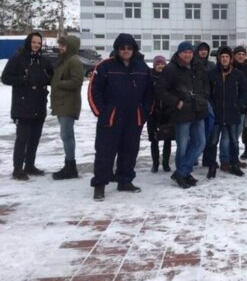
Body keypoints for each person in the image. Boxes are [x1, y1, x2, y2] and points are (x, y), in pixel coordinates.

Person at [88, 33, 153, 200]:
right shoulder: (105, 66)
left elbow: (150, 94)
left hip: (133, 117)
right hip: (110, 118)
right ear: (117, 49)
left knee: (129, 151)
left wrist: (143, 113)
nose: (126, 51)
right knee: (105, 152)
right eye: (122, 48)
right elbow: (94, 91)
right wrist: (102, 113)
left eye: (129, 48)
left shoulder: (142, 68)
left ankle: (124, 180)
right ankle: (100, 184)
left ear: (134, 49)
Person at [156, 41, 210, 189]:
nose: (188, 54)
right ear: (179, 53)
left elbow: (205, 84)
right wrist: (176, 102)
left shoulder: (197, 66)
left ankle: (182, 172)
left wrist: (204, 97)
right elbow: (160, 90)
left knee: (200, 142)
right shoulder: (171, 69)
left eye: (190, 52)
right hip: (181, 112)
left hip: (198, 110)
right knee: (183, 145)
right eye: (185, 52)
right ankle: (184, 174)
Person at [1, 32, 54, 180]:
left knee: (35, 138)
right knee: (22, 138)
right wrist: (22, 80)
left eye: (39, 43)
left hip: (39, 103)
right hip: (23, 104)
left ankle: (29, 165)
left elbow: (52, 76)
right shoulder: (17, 58)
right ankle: (18, 169)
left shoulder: (43, 60)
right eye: (34, 42)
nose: (36, 45)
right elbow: (5, 78)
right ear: (28, 42)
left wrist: (48, 79)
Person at [207, 46, 247, 178]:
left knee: (233, 141)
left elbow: (244, 92)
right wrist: (211, 107)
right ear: (219, 59)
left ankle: (234, 164)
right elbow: (206, 93)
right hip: (216, 113)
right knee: (213, 141)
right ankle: (212, 165)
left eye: (227, 57)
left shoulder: (238, 74)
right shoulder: (212, 74)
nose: (224, 59)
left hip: (232, 112)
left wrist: (239, 105)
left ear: (230, 59)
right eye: (222, 57)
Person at [50, 35, 85, 180]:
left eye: (63, 45)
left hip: (69, 103)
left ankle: (71, 167)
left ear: (70, 46)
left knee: (66, 135)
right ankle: (69, 165)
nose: (60, 47)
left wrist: (59, 83)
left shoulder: (74, 60)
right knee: (67, 136)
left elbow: (77, 81)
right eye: (60, 45)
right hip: (61, 102)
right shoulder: (64, 60)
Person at [147, 55, 173, 173]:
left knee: (167, 139)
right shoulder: (149, 77)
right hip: (153, 112)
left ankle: (166, 163)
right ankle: (155, 163)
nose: (160, 66)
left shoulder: (168, 77)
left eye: (162, 64)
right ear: (154, 65)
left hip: (167, 113)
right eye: (158, 64)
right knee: (154, 139)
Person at [232, 45, 247, 163]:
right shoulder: (230, 68)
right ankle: (229, 159)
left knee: (237, 134)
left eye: (243, 54)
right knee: (230, 135)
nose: (241, 56)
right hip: (230, 106)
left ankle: (234, 158)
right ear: (234, 55)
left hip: (243, 106)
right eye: (239, 54)